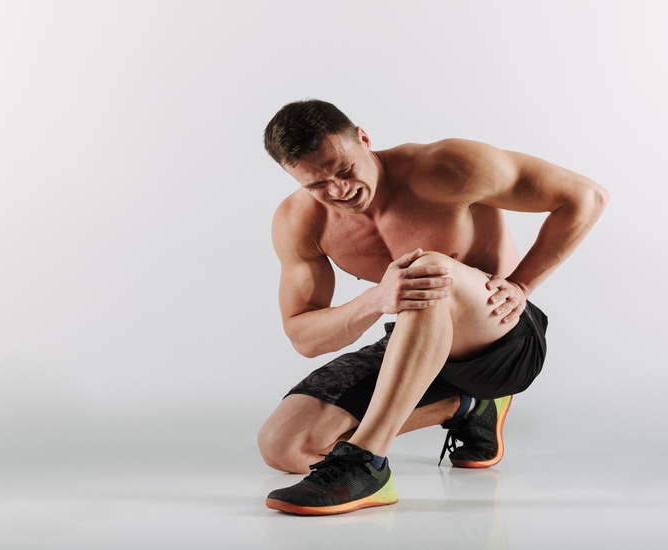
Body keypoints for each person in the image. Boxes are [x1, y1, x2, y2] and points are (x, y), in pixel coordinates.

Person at [258, 99, 608, 516]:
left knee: (424, 271)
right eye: (317, 184)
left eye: (345, 169)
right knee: (284, 445)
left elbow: (585, 197)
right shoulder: (299, 221)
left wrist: (522, 283)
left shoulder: (447, 166)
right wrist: (376, 299)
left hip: (501, 341)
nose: (339, 190)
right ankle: (470, 408)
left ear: (364, 139)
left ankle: (367, 463)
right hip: (415, 348)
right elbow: (304, 337)